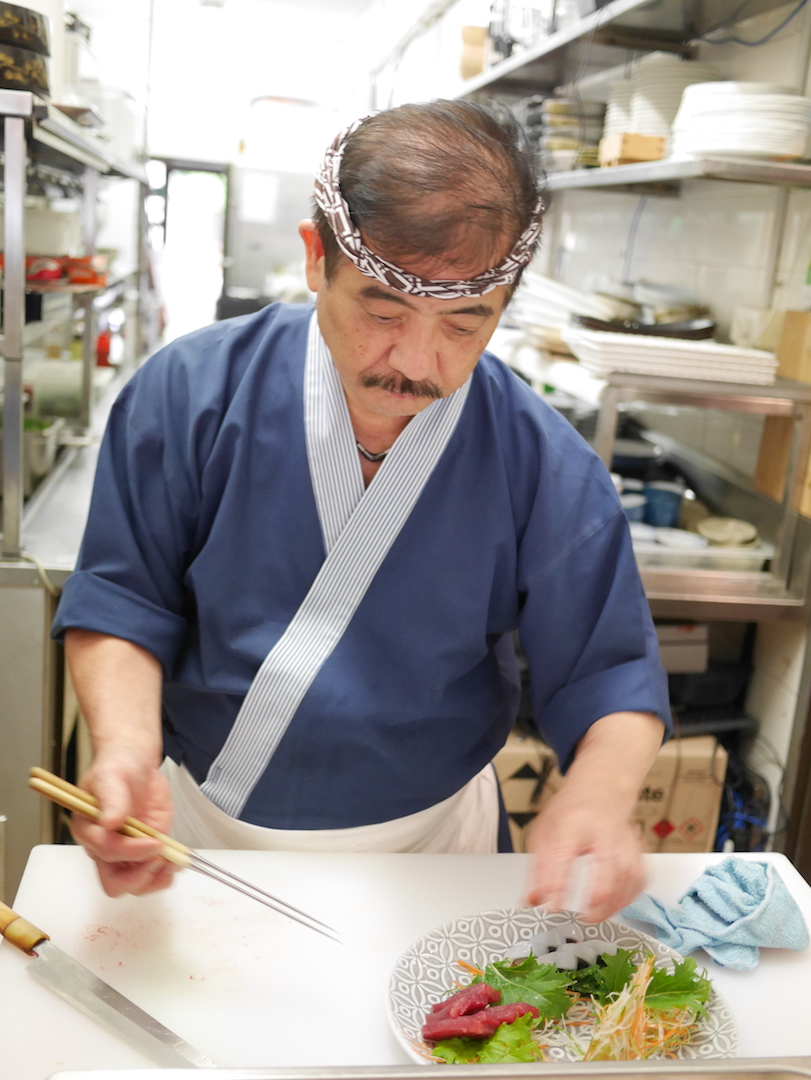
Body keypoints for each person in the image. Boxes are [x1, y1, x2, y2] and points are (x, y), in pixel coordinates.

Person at [52, 100, 670, 921]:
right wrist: (125, 748)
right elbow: (125, 599)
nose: (416, 363)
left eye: (464, 321)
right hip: (192, 830)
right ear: (317, 259)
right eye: (383, 309)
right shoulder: (188, 395)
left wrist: (598, 793)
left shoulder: (542, 462)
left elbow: (609, 670)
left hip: (431, 856)